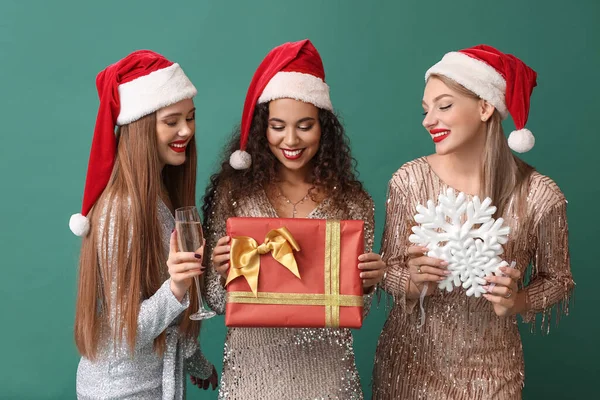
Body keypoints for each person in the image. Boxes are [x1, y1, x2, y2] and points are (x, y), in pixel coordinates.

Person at [372, 44, 575, 400]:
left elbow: (559, 280)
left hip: (493, 371)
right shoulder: (408, 180)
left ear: (485, 107)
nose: (428, 120)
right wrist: (413, 281)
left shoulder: (539, 194)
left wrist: (517, 301)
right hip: (408, 366)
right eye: (426, 109)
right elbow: (387, 268)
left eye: (444, 105)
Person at [202, 39, 385, 399]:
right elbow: (216, 301)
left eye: (305, 126)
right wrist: (223, 272)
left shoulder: (353, 204)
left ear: (324, 129)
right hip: (251, 381)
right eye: (278, 126)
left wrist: (368, 282)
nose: (291, 139)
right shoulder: (235, 195)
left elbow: (352, 308)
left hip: (329, 380)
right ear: (261, 130)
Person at [69, 50, 217, 399]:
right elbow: (124, 333)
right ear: (140, 125)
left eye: (191, 118)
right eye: (172, 121)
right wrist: (178, 288)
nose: (186, 131)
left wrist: (198, 364)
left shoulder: (160, 197)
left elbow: (160, 305)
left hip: (153, 384)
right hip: (121, 391)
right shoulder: (121, 209)